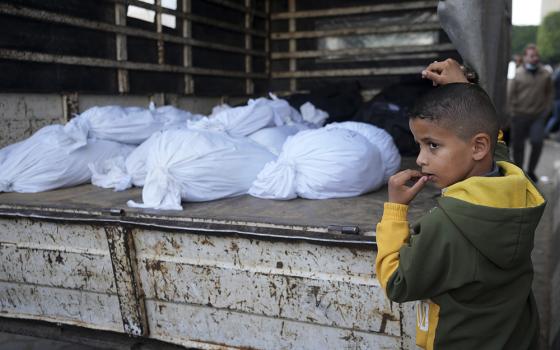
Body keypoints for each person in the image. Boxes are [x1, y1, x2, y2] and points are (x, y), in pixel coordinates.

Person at [375, 82, 546, 349]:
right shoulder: (520, 190)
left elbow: (398, 283)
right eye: (419, 145)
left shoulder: (445, 225)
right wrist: (467, 87)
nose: (420, 159)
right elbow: (495, 147)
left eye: (432, 145)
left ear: (478, 147)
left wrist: (396, 210)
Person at [508, 44, 554, 182]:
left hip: (537, 116)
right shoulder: (517, 73)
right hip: (519, 115)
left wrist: (546, 110)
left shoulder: (545, 74)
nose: (535, 58)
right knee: (518, 146)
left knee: (537, 142)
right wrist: (511, 111)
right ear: (525, 57)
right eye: (532, 56)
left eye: (537, 56)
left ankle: (531, 171)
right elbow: (510, 94)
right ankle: (519, 172)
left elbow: (549, 94)